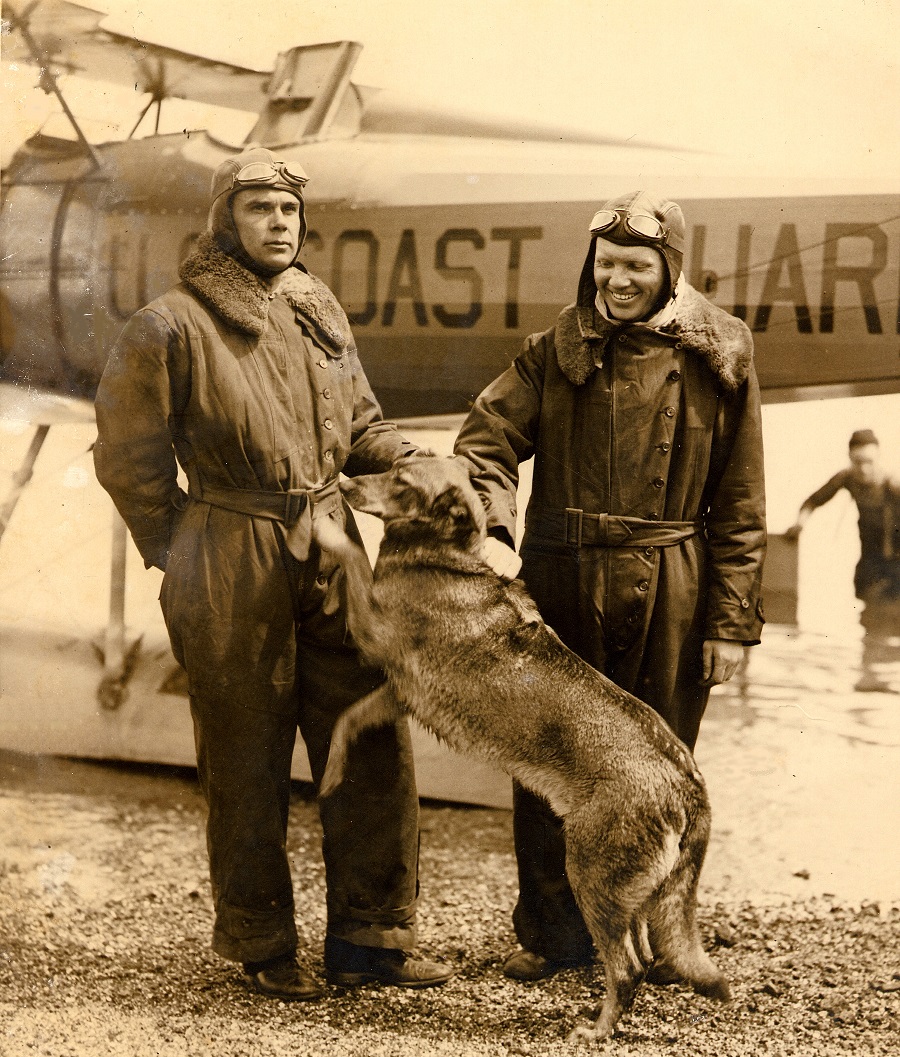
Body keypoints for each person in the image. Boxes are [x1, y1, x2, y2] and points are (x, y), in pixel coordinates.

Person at [93, 147, 453, 1000]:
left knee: (367, 733)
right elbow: (127, 459)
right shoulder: (169, 325)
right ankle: (262, 943)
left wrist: (415, 458)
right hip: (229, 550)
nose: (280, 224)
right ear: (226, 221)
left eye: (289, 211)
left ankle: (371, 937)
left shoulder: (317, 307)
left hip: (332, 546)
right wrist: (182, 549)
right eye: (260, 210)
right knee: (245, 751)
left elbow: (360, 427)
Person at [454, 190, 766, 981]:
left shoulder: (722, 354)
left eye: (637, 265)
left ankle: (662, 942)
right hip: (561, 579)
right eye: (608, 263)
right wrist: (494, 528)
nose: (619, 280)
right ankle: (555, 938)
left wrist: (731, 623)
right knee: (552, 760)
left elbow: (740, 500)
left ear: (670, 271)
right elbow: (484, 440)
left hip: (674, 586)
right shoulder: (552, 349)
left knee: (663, 767)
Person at [786, 429, 900, 691]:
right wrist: (799, 524)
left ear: (878, 458)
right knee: (869, 618)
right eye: (857, 462)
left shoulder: (892, 484)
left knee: (890, 619)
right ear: (850, 459)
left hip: (896, 562)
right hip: (870, 560)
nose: (863, 469)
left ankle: (886, 677)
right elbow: (813, 501)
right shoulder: (847, 479)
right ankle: (870, 677)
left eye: (869, 462)